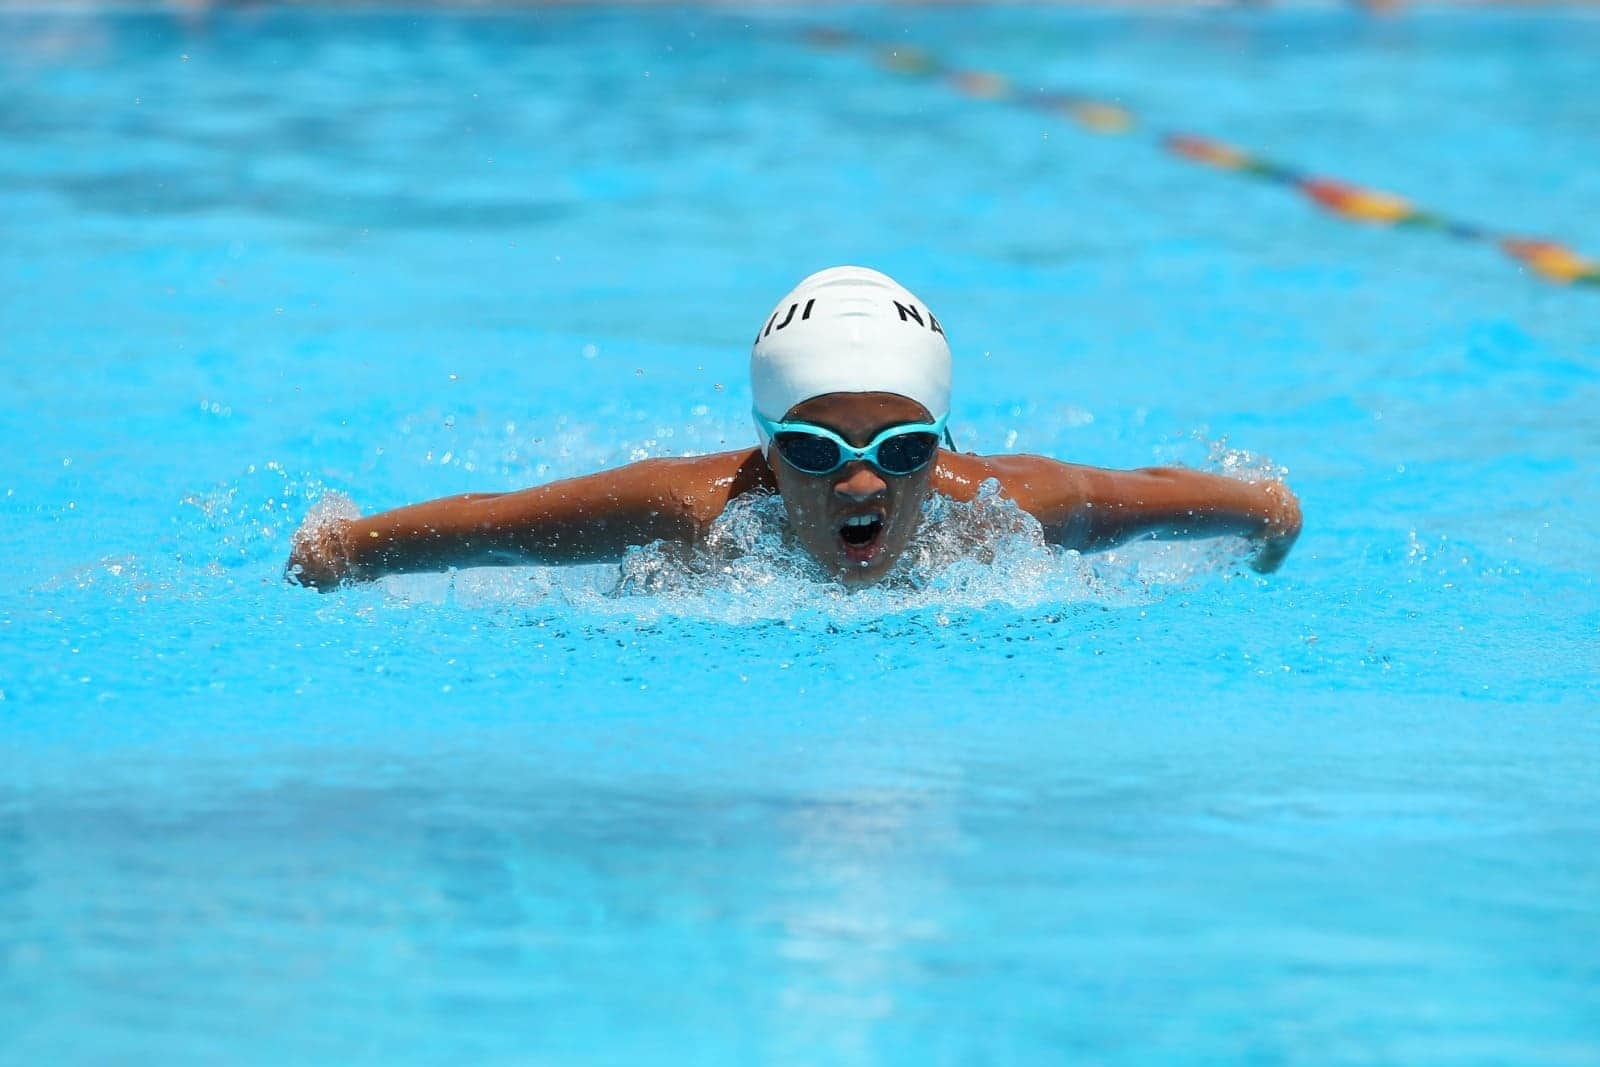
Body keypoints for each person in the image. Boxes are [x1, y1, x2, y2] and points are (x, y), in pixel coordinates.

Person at [286, 266, 1300, 590]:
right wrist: (346, 548)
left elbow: (1162, 494)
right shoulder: (693, 511)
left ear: (941, 448)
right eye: (817, 450)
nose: (861, 485)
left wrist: (1264, 515)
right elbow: (498, 522)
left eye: (900, 450)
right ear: (767, 447)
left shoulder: (1003, 514)